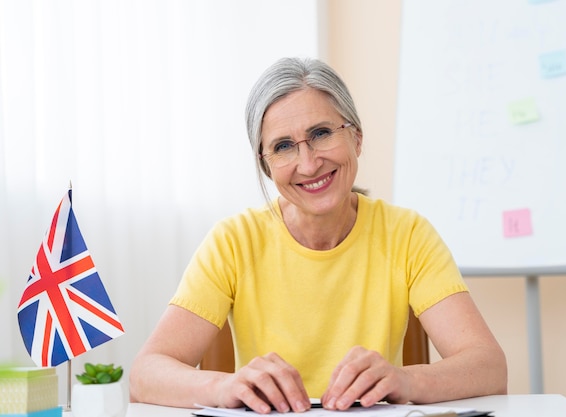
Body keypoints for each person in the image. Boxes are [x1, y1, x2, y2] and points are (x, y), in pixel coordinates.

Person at [129, 57, 507, 412]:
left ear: (357, 138)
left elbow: (489, 367)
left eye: (322, 133)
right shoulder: (233, 240)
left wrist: (404, 380)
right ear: (266, 166)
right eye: (282, 147)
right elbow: (145, 374)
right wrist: (224, 388)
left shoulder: (408, 234)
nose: (308, 164)